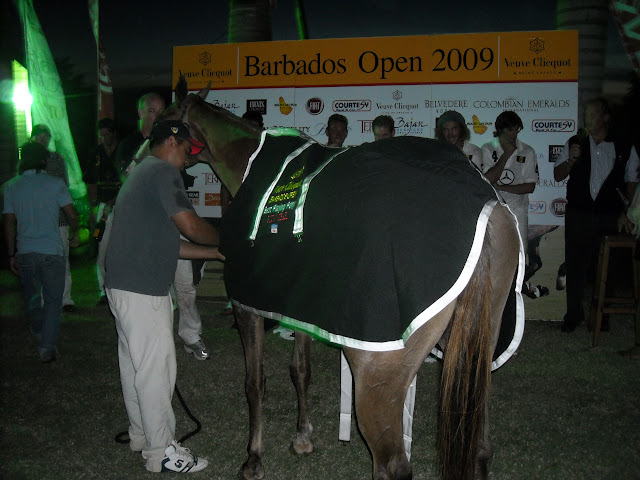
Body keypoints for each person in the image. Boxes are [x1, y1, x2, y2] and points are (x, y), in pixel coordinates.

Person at [105, 120, 223, 473]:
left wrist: (217, 254)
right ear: (171, 142)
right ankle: (162, 453)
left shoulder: (142, 173)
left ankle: (142, 435)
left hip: (123, 287)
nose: (188, 160)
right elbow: (191, 226)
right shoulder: (163, 172)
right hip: (143, 291)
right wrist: (228, 239)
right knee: (156, 372)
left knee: (136, 367)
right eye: (187, 150)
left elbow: (172, 245)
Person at [553, 97, 639, 333]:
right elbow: (558, 175)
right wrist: (571, 160)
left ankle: (603, 316)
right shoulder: (575, 142)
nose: (587, 118)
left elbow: (632, 181)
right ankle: (573, 316)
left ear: (606, 117)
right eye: (586, 114)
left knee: (606, 268)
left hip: (609, 215)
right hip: (578, 214)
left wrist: (626, 212)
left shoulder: (624, 145)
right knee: (575, 266)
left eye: (592, 114)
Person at [3, 142, 79, 362]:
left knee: (32, 297)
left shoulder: (12, 187)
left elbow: (8, 223)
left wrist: (11, 254)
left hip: (25, 251)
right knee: (53, 300)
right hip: (51, 250)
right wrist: (75, 232)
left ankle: (38, 331)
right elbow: (71, 214)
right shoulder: (55, 184)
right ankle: (47, 346)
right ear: (44, 161)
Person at [30, 124, 76, 312]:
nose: (43, 141)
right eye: (40, 137)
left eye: (46, 137)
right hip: (38, 220)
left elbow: (64, 186)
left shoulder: (57, 159)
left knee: (62, 259)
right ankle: (44, 300)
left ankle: (65, 299)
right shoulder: (28, 162)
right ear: (33, 138)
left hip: (59, 219)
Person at [480, 111, 538, 248]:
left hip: (518, 211)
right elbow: (488, 181)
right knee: (495, 253)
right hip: (494, 211)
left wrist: (502, 187)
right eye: (510, 130)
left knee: (520, 253)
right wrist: (507, 154)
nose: (514, 134)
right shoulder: (488, 149)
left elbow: (530, 186)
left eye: (517, 130)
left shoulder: (527, 151)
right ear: (500, 130)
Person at [83, 118, 121, 304]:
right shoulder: (96, 153)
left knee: (121, 248)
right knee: (101, 247)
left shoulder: (124, 151)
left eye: (107, 134)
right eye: (101, 135)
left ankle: (120, 288)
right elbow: (90, 182)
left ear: (114, 134)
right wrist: (92, 207)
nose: (104, 138)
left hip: (123, 206)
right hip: (103, 208)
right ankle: (103, 291)